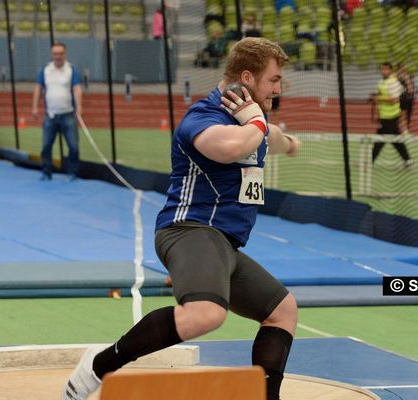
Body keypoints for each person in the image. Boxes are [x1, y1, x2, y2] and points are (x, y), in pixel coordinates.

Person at [62, 37, 301, 400]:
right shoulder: (203, 117)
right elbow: (232, 147)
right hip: (189, 230)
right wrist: (256, 123)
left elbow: (272, 137)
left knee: (282, 311)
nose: (278, 89)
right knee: (206, 313)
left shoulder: (254, 119)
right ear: (248, 77)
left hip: (223, 244)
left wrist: (290, 143)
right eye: (274, 80)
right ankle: (100, 365)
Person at [31, 42, 82, 181]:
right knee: (46, 146)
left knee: (73, 146)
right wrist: (35, 107)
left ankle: (72, 173)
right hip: (50, 115)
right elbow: (38, 88)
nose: (57, 56)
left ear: (64, 54)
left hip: (68, 115)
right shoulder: (45, 70)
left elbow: (76, 88)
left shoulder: (71, 69)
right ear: (51, 54)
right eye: (55, 53)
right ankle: (46, 172)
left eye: (60, 53)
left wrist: (79, 106)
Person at [371, 62, 412, 168]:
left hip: (392, 116)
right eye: (382, 69)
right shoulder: (381, 82)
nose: (383, 71)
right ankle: (408, 161)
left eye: (386, 69)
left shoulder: (393, 83)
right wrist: (375, 97)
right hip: (384, 116)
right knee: (396, 140)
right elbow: (380, 94)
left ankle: (370, 161)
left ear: (390, 70)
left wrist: (378, 98)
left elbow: (394, 100)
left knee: (380, 138)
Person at [396, 62, 414, 135]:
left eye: (405, 66)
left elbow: (410, 88)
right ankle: (400, 130)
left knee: (405, 115)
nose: (404, 68)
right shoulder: (396, 76)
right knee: (400, 115)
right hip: (398, 97)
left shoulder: (406, 76)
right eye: (403, 67)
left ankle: (404, 130)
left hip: (406, 98)